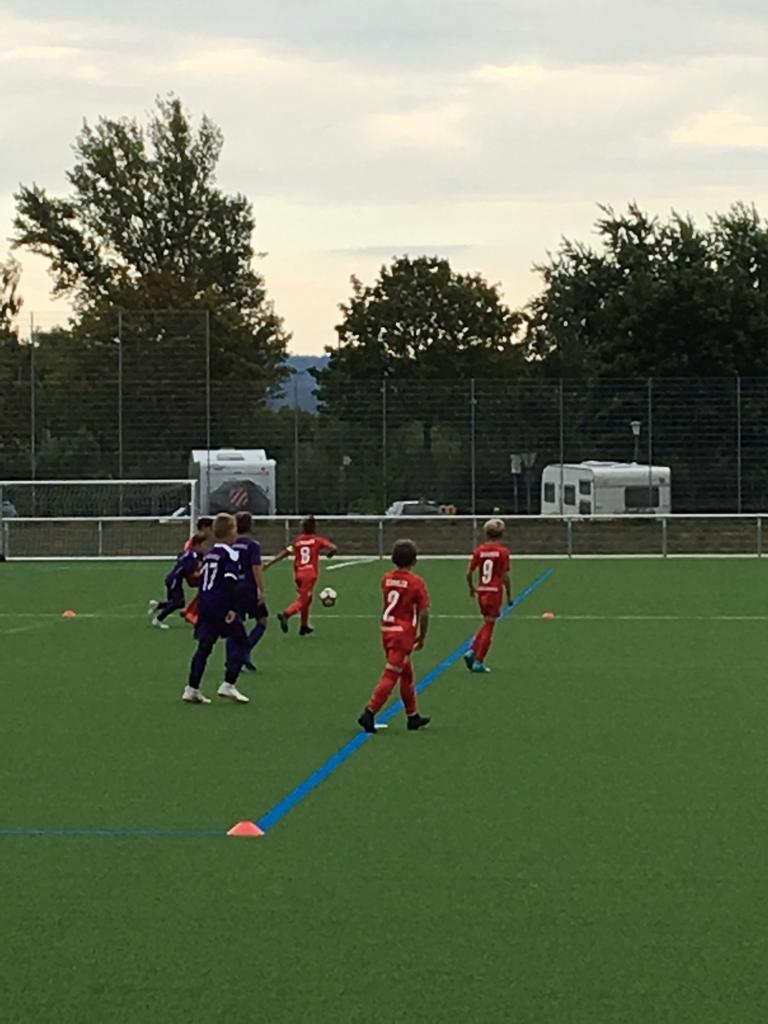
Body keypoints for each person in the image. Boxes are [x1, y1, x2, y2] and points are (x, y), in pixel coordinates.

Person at [357, 539, 431, 733]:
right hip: (403, 634)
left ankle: (412, 716)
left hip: (387, 629)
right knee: (391, 675)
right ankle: (369, 712)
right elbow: (424, 611)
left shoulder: (387, 578)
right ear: (414, 560)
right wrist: (422, 635)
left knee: (406, 674)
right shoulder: (416, 582)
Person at [182, 513, 250, 705]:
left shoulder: (210, 554)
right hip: (221, 605)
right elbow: (230, 582)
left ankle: (192, 688)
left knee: (204, 647)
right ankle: (228, 684)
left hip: (205, 604)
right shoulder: (230, 554)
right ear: (231, 532)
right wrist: (231, 608)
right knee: (242, 641)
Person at [270, 516, 337, 636]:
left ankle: (304, 626)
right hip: (309, 574)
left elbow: (286, 552)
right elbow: (333, 547)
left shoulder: (297, 541)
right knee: (303, 600)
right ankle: (286, 614)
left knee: (307, 599)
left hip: (298, 574)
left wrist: (269, 563)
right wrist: (330, 553)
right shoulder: (317, 540)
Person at [464, 517, 512, 674]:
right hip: (494, 592)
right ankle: (479, 660)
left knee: (487, 623)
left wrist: (472, 588)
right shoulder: (503, 552)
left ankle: (472, 650)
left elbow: (469, 573)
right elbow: (505, 576)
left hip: (482, 590)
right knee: (490, 626)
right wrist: (509, 595)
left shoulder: (480, 550)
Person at [232, 511, 268, 672]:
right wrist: (261, 590)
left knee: (235, 624)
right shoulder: (253, 545)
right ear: (250, 525)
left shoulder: (231, 545)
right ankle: (244, 651)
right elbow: (256, 569)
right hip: (249, 589)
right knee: (262, 621)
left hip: (233, 589)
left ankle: (232, 660)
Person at [148, 531, 205, 629]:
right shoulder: (192, 557)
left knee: (179, 603)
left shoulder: (189, 553)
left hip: (173, 579)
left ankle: (158, 605)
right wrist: (203, 573)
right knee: (177, 602)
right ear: (197, 545)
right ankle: (158, 619)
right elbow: (191, 574)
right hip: (174, 580)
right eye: (202, 545)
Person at [182, 517, 214, 626]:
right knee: (210, 587)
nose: (212, 531)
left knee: (206, 589)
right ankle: (191, 612)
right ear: (204, 527)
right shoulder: (198, 541)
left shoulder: (198, 540)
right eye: (210, 528)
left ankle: (189, 610)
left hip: (196, 571)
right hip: (193, 573)